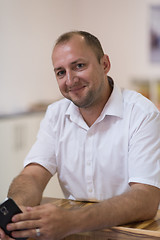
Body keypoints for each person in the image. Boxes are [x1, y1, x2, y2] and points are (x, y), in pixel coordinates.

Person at [1, 31, 160, 240]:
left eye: (79, 66)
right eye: (60, 72)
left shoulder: (143, 114)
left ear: (105, 64)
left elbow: (145, 199)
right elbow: (32, 175)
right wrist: (16, 212)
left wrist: (72, 221)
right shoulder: (55, 114)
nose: (70, 80)